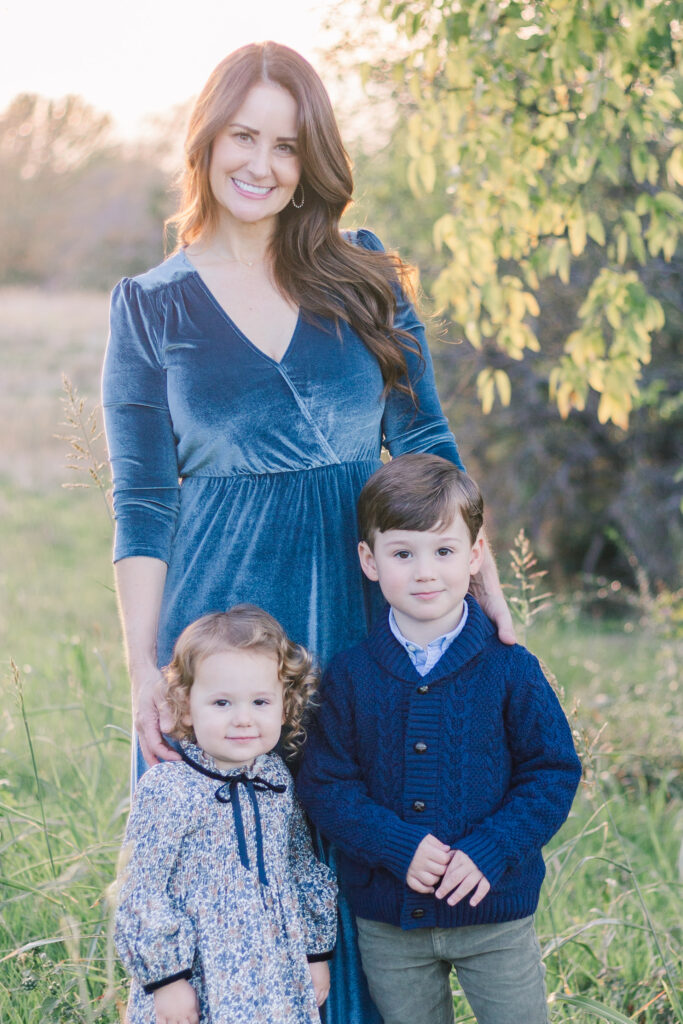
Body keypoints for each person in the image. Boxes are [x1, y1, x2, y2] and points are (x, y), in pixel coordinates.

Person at [102, 40, 514, 1023]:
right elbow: (142, 500)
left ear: (310, 159)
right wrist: (141, 670)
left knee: (364, 844)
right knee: (226, 859)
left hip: (362, 592)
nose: (261, 164)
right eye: (242, 136)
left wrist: (489, 598)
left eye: (286, 146)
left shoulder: (364, 274)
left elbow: (424, 444)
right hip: (228, 616)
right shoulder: (150, 306)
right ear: (204, 141)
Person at [297, 454, 582, 1024]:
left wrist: (492, 849)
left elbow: (552, 773)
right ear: (369, 561)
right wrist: (396, 846)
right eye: (403, 553)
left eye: (444, 551)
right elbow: (326, 784)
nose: (425, 571)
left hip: (494, 915)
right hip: (391, 925)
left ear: (475, 556)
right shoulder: (351, 675)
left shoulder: (510, 669)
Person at [114, 604, 337, 1024]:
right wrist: (167, 979)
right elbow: (141, 889)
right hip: (198, 975)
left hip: (274, 971)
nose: (242, 719)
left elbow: (298, 863)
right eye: (221, 702)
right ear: (183, 707)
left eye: (259, 701)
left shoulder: (276, 778)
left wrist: (315, 951)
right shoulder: (169, 789)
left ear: (285, 706)